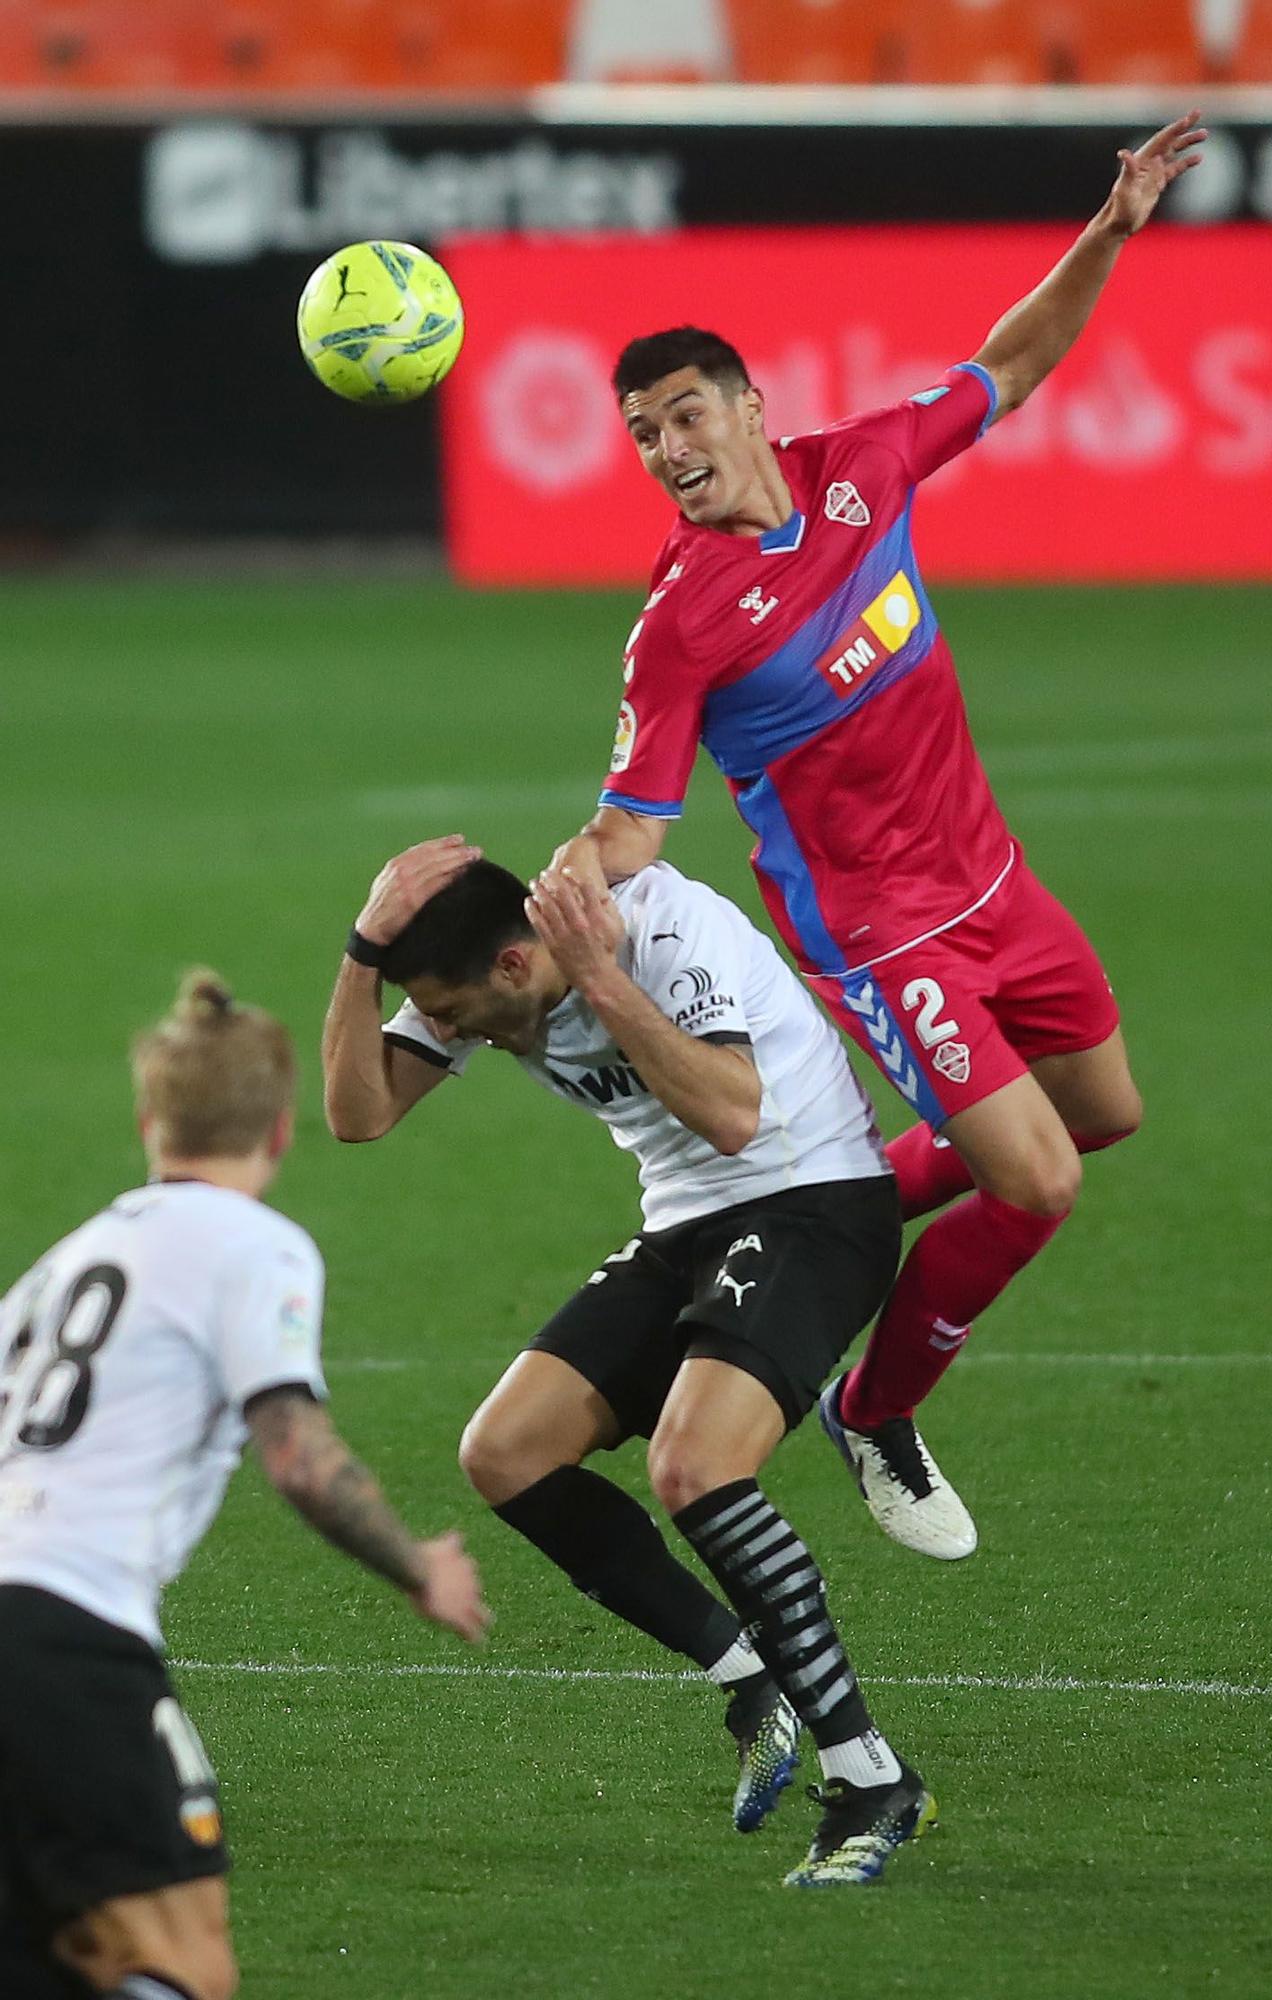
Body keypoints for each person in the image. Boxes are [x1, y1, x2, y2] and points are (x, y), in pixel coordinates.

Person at [549, 114, 1207, 1561]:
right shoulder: (681, 625)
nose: (667, 449)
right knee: (1039, 1180)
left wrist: (1110, 226)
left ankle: (827, 1194)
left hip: (997, 883)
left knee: (1105, 1112)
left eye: (684, 414)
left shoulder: (863, 471)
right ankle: (877, 1407)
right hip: (881, 934)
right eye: (642, 433)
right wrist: (545, 907)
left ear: (747, 404)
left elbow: (1014, 366)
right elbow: (632, 825)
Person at [322, 835, 934, 1887]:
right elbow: (357, 1111)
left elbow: (735, 1114)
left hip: (812, 1201)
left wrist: (602, 977)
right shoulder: (487, 974)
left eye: (450, 1009)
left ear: (514, 964)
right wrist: (361, 952)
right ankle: (752, 1680)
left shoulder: (655, 928)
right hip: (692, 1226)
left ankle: (872, 1778)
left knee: (696, 1466)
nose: (444, 1026)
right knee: (505, 1451)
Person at [0, 970, 487, 2000]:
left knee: (52, 1950)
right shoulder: (254, 1244)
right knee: (179, 1961)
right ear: (278, 1131)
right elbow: (297, 1451)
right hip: (64, 1638)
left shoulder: (53, 1269)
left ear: (149, 1121)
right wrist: (417, 1565)